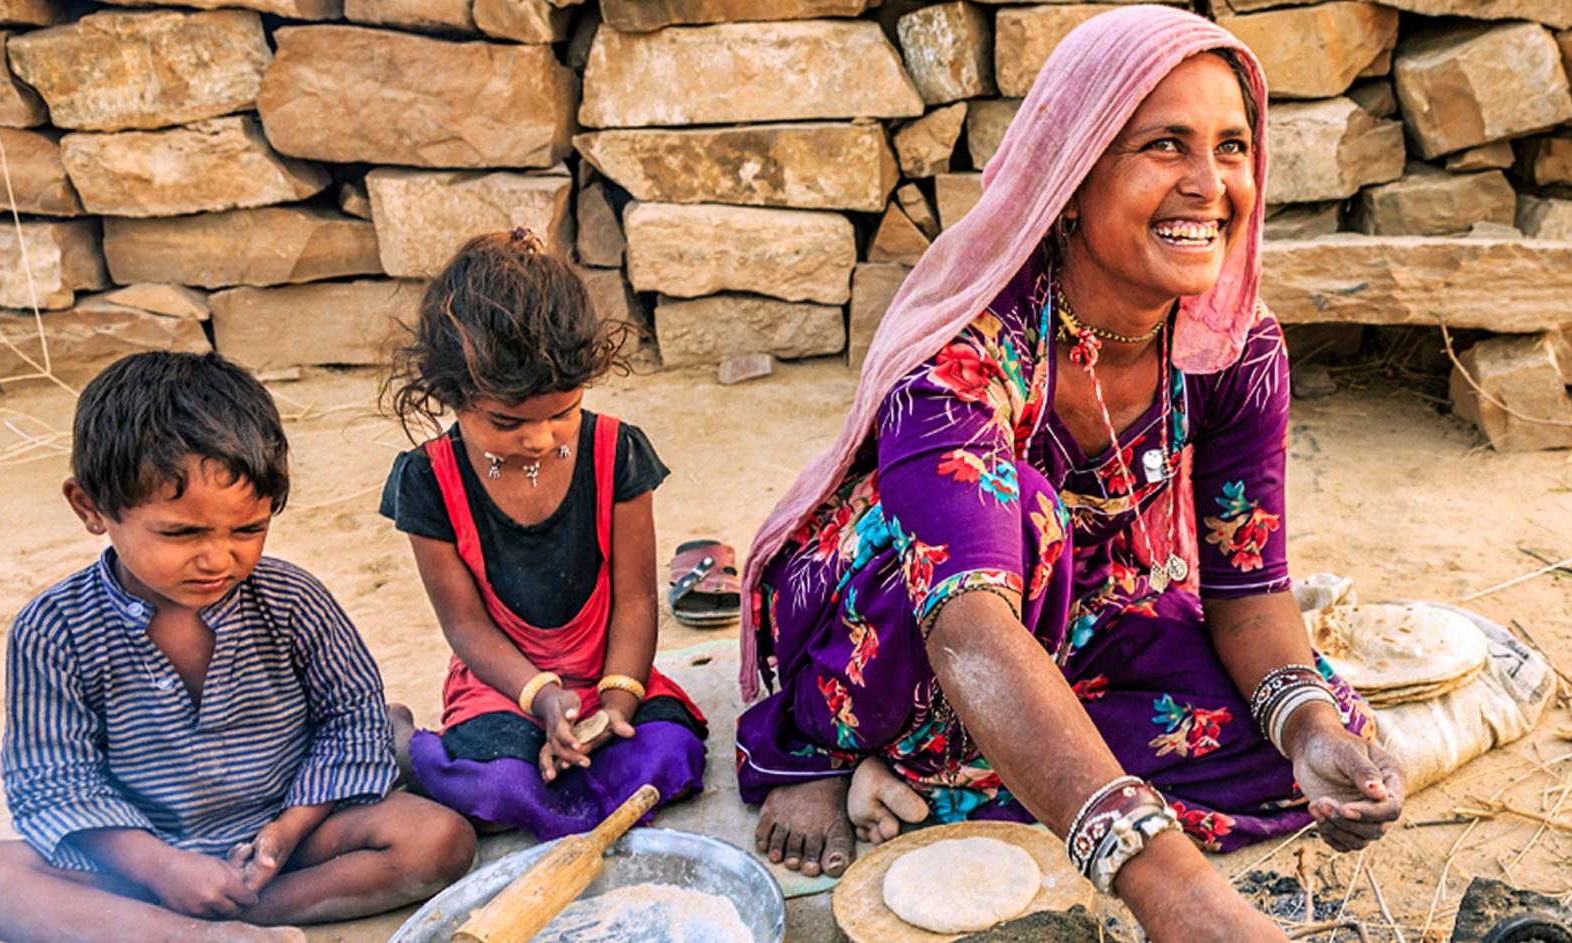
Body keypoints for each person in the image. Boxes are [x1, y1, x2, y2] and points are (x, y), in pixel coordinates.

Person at [733, 8, 1406, 941]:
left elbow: (1248, 593)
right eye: (1164, 145)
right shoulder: (965, 355)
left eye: (1233, 147)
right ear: (1076, 174)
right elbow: (968, 630)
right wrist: (1176, 896)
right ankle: (835, 751)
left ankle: (943, 779)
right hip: (899, 620)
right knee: (1030, 516)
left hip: (1082, 618)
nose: (1209, 186)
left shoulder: (1234, 350)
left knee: (1315, 733)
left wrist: (1306, 731)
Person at [0, 352, 477, 943]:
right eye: (181, 533)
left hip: (286, 838)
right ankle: (191, 935)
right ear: (90, 508)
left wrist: (285, 833)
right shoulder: (53, 630)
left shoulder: (292, 601)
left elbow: (351, 720)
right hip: (134, 861)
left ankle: (208, 924)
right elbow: (56, 779)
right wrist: (163, 867)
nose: (217, 557)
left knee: (437, 840)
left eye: (248, 529)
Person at [381, 228, 707, 841]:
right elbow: (466, 627)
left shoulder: (617, 451)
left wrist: (617, 703)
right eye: (507, 422)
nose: (540, 439)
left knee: (668, 760)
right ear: (448, 394)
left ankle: (582, 751)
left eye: (563, 411)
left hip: (608, 668)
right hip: (504, 684)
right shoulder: (428, 480)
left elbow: (636, 598)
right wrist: (540, 698)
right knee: (503, 786)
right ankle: (403, 742)